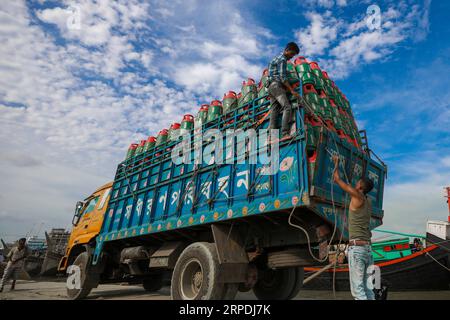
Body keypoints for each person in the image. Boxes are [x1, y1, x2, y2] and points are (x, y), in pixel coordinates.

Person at [332, 155, 375, 300]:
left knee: (358, 292)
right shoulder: (368, 202)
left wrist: (336, 163)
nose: (356, 183)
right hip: (368, 250)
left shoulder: (358, 196)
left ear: (360, 187)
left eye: (358, 182)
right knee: (369, 290)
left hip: (358, 250)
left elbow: (337, 179)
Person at [267, 42, 300, 142]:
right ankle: (285, 133)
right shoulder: (282, 60)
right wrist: (292, 91)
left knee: (274, 110)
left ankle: (271, 137)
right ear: (287, 50)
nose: (291, 57)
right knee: (287, 107)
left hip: (270, 87)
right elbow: (283, 78)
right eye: (291, 54)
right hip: (276, 86)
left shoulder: (276, 59)